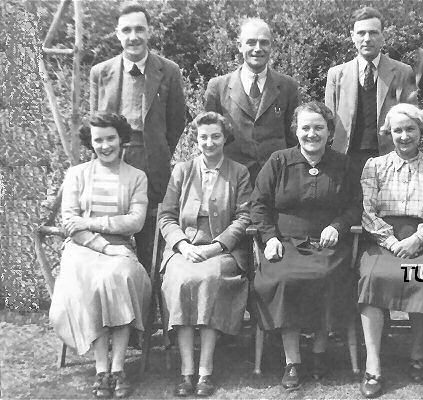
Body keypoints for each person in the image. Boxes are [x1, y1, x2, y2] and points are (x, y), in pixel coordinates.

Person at [251, 101, 361, 390]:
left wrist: (338, 226)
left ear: (329, 132)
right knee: (286, 279)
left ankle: (319, 353)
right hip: (285, 244)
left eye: (319, 128)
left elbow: (356, 206)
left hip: (328, 246)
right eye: (305, 128)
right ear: (295, 131)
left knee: (327, 277)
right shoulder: (278, 161)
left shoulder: (343, 164)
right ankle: (292, 361)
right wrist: (269, 237)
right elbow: (259, 205)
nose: (312, 134)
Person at [49, 112, 151, 399]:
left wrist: (93, 222)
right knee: (92, 281)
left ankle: (118, 368)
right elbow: (71, 224)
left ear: (122, 140)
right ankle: (101, 369)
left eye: (110, 139)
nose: (105, 146)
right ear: (90, 142)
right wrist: (104, 246)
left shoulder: (136, 177)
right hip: (82, 249)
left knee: (117, 277)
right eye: (98, 140)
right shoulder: (76, 174)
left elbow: (135, 222)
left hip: (120, 248)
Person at [358, 104, 423, 398]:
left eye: (410, 129)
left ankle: (418, 353)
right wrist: (390, 240)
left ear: (421, 132)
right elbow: (367, 212)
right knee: (371, 278)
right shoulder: (374, 166)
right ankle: (373, 365)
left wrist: (418, 239)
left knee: (421, 277)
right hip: (382, 239)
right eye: (397, 130)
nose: (404, 136)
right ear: (389, 133)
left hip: (422, 240)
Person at [158, 112, 252, 397]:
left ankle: (206, 370)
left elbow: (244, 218)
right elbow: (166, 216)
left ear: (225, 139)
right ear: (195, 139)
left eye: (215, 136)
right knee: (181, 281)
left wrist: (216, 247)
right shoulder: (182, 170)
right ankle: (187, 369)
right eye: (203, 137)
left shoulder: (239, 172)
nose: (209, 142)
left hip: (221, 250)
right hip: (184, 250)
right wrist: (182, 245)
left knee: (210, 280)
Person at [90, 2, 186, 272]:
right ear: (117, 33)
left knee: (151, 241)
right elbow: (95, 125)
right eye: (127, 30)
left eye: (139, 29)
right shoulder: (100, 72)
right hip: (112, 163)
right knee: (111, 235)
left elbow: (177, 120)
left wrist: (158, 150)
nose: (133, 36)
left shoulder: (169, 70)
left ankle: (151, 303)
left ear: (149, 32)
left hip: (152, 163)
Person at [325, 6, 418, 182]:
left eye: (373, 33)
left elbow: (413, 121)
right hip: (345, 160)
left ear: (383, 36)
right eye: (361, 33)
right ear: (352, 36)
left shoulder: (403, 72)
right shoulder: (336, 75)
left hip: (389, 159)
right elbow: (329, 122)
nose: (367, 39)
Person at [204, 18, 300, 184]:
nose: (258, 49)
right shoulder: (217, 87)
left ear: (271, 46)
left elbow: (293, 136)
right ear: (240, 45)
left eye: (264, 42)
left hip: (276, 178)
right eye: (251, 42)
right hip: (231, 179)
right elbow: (209, 136)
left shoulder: (288, 86)